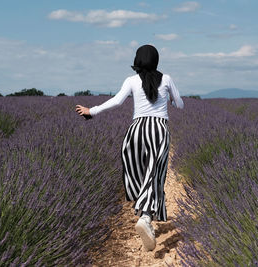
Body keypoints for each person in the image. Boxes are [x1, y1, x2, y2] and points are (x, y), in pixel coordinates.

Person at [75, 44, 184, 251]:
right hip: (158, 130)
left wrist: (91, 111)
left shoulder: (131, 80)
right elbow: (180, 104)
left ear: (138, 60)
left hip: (136, 130)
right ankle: (145, 217)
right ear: (156, 60)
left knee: (138, 172)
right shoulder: (167, 79)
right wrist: (172, 98)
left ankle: (143, 210)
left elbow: (117, 101)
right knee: (154, 174)